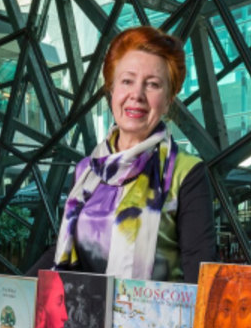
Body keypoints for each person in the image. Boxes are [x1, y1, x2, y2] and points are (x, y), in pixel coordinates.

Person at [29, 26, 216, 283]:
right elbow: (64, 252)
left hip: (156, 321)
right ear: (112, 90)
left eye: (152, 85)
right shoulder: (88, 171)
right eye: (127, 81)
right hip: (86, 317)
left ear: (168, 100)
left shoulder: (187, 172)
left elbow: (200, 276)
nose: (136, 95)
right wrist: (13, 289)